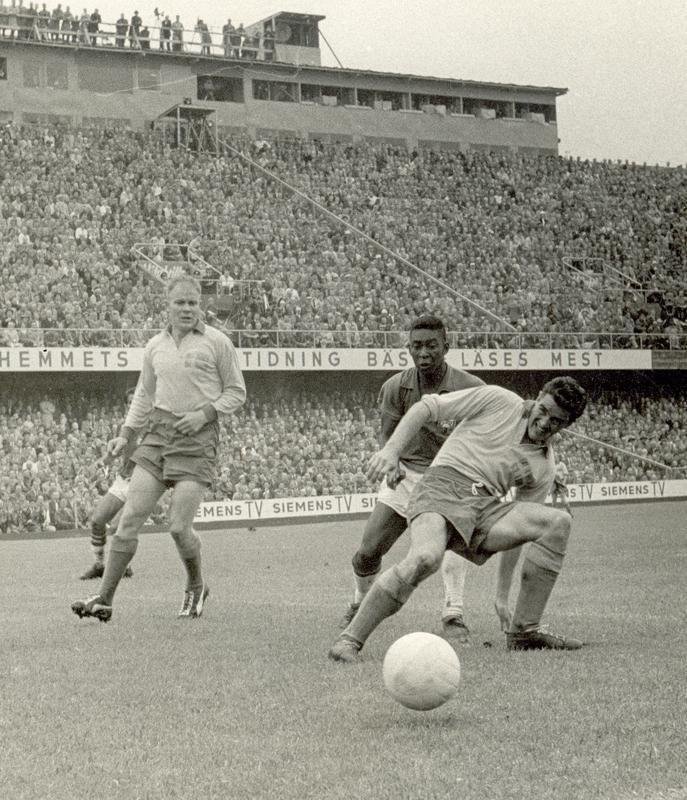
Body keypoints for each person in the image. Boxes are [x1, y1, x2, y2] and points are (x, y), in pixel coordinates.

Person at [329, 376, 588, 662]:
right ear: (538, 396)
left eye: (556, 421)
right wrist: (391, 450)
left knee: (557, 522)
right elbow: (426, 407)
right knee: (425, 558)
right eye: (544, 410)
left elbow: (522, 531)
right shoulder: (499, 400)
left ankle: (524, 631)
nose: (544, 423)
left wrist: (502, 596)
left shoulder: (543, 466)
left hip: (485, 506)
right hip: (442, 486)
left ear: (567, 424)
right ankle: (348, 641)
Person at [72, 275, 246, 622]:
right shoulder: (155, 346)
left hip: (197, 438)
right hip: (158, 434)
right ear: (167, 306)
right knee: (129, 520)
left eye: (193, 303)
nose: (187, 309)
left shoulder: (217, 342)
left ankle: (196, 585)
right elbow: (143, 395)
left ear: (201, 305)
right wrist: (125, 435)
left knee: (178, 527)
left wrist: (204, 414)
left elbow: (236, 392)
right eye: (180, 302)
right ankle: (104, 599)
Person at [338, 316, 485, 643]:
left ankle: (453, 614)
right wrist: (391, 463)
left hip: (450, 479)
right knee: (367, 552)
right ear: (408, 348)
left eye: (431, 345)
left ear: (447, 346)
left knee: (452, 547)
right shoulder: (395, 387)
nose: (424, 352)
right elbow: (389, 436)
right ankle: (361, 601)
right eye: (417, 346)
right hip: (405, 476)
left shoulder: (471, 386)